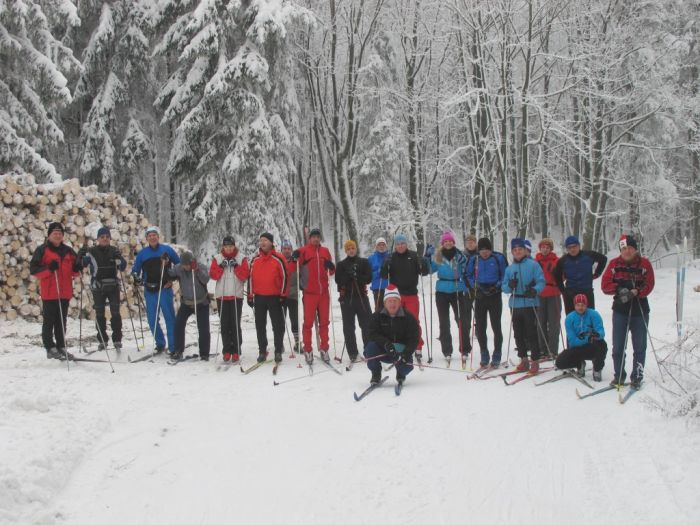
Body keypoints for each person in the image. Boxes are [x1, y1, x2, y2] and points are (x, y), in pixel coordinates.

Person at [601, 234, 655, 389]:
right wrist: (619, 289)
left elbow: (650, 284)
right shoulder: (613, 264)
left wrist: (638, 291)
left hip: (640, 309)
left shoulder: (644, 264)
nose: (627, 251)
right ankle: (619, 376)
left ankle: (637, 376)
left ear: (635, 249)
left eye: (630, 248)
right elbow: (605, 285)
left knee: (639, 346)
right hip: (620, 309)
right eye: (624, 248)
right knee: (618, 345)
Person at [29, 222, 81, 359]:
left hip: (64, 292)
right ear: (49, 235)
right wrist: (49, 269)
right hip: (50, 292)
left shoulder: (68, 251)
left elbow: (75, 271)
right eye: (55, 233)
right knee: (49, 321)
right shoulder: (42, 250)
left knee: (61, 321)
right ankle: (50, 347)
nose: (57, 235)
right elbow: (34, 270)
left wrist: (78, 267)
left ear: (63, 235)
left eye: (60, 233)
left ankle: (61, 346)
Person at [132, 226, 180, 355]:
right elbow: (135, 270)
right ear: (147, 238)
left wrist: (172, 279)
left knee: (169, 318)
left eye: (154, 235)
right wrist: (136, 278)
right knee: (152, 319)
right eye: (150, 236)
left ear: (158, 237)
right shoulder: (143, 253)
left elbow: (179, 265)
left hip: (164, 289)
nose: (152, 237)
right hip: (150, 290)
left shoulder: (167, 250)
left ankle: (173, 346)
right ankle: (160, 343)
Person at [380, 234, 430, 357]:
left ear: (406, 244)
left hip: (411, 294)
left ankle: (418, 346)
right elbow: (383, 275)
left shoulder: (413, 256)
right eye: (397, 244)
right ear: (395, 246)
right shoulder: (391, 257)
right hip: (396, 296)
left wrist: (424, 262)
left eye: (402, 243)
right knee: (395, 321)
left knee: (414, 321)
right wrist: (385, 264)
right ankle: (397, 345)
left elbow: (424, 272)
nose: (400, 246)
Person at [78, 227, 127, 351]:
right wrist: (81, 255)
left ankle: (117, 339)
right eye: (102, 237)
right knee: (99, 314)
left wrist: (119, 259)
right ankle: (102, 340)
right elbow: (82, 264)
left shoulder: (114, 250)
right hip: (98, 286)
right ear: (98, 239)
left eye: (107, 237)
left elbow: (122, 267)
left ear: (110, 238)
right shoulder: (92, 251)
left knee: (115, 313)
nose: (105, 239)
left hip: (113, 285)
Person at [502, 238, 545, 372]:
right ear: (512, 252)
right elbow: (504, 287)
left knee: (531, 333)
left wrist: (534, 290)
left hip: (530, 302)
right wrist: (509, 286)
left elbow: (541, 281)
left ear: (525, 251)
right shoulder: (509, 269)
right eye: (515, 250)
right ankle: (524, 360)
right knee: (518, 333)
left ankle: (535, 360)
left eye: (520, 249)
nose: (518, 252)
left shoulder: (533, 265)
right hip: (515, 303)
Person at [293, 228, 335, 364]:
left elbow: (332, 271)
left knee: (324, 323)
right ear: (309, 238)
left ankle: (324, 349)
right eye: (313, 237)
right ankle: (308, 349)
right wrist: (295, 256)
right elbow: (296, 267)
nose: (316, 239)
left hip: (323, 293)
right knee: (308, 323)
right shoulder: (304, 250)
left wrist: (331, 266)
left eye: (318, 237)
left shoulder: (325, 251)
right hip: (309, 293)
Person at [428, 231, 471, 361]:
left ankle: (465, 349)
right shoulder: (438, 256)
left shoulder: (459, 255)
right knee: (444, 322)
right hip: (442, 291)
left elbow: (466, 269)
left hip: (457, 289)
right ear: (442, 243)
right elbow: (430, 270)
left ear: (453, 243)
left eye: (450, 241)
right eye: (445, 241)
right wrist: (427, 258)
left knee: (462, 320)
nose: (448, 243)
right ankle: (447, 350)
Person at [363, 285, 419, 386]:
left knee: (407, 368)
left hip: (401, 353)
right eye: (390, 301)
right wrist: (386, 343)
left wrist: (406, 354)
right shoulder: (377, 316)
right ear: (385, 303)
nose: (392, 304)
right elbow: (372, 333)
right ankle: (376, 373)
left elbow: (414, 337)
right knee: (370, 347)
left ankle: (401, 373)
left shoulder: (408, 317)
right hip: (384, 350)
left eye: (395, 301)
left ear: (399, 302)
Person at [465, 237, 507, 367]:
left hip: (494, 294)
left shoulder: (498, 258)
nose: (484, 252)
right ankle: (484, 352)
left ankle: (497, 352)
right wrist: (475, 288)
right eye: (482, 250)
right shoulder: (474, 259)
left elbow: (505, 275)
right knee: (481, 326)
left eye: (487, 250)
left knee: (496, 325)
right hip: (480, 295)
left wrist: (497, 287)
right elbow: (467, 275)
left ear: (491, 249)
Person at [248, 232, 289, 363]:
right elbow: (250, 279)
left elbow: (285, 277)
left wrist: (283, 295)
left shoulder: (279, 258)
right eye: (261, 241)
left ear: (271, 243)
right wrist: (250, 295)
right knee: (260, 325)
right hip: (259, 297)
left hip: (275, 297)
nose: (262, 243)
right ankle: (262, 350)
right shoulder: (255, 260)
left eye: (265, 240)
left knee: (278, 325)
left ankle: (278, 350)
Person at [209, 236, 249, 363]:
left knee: (235, 323)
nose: (229, 249)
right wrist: (221, 266)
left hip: (236, 296)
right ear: (223, 247)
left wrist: (236, 266)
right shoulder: (217, 258)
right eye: (226, 246)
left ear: (234, 246)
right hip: (222, 295)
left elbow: (245, 276)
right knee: (225, 324)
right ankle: (226, 350)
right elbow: (213, 275)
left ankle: (236, 350)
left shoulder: (241, 258)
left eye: (231, 246)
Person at [335, 240, 373, 362]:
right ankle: (352, 353)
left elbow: (368, 278)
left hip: (362, 298)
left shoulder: (363, 262)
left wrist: (357, 276)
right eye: (348, 249)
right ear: (346, 251)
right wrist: (348, 275)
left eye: (353, 248)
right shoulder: (341, 264)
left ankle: (369, 350)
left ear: (356, 249)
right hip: (347, 300)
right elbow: (338, 280)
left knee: (367, 325)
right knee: (349, 327)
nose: (351, 250)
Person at [555, 294, 607, 382]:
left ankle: (597, 369)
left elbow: (601, 330)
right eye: (578, 305)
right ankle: (579, 364)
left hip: (592, 345)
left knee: (602, 345)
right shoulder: (569, 318)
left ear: (586, 305)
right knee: (560, 362)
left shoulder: (594, 314)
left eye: (583, 305)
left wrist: (597, 335)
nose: (580, 307)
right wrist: (586, 339)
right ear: (574, 305)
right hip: (578, 347)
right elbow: (572, 340)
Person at [169, 251, 210, 360]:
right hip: (186, 303)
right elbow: (170, 273)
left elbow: (206, 279)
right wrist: (165, 264)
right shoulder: (179, 268)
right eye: (184, 264)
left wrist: (196, 270)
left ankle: (204, 353)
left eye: (187, 264)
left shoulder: (201, 267)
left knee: (203, 328)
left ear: (192, 262)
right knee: (178, 324)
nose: (186, 267)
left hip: (201, 302)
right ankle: (178, 350)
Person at [553, 235, 607, 314]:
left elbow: (603, 259)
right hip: (570, 293)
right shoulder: (563, 260)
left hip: (587, 291)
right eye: (569, 247)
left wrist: (597, 273)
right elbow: (557, 275)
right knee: (571, 319)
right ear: (567, 249)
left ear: (579, 246)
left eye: (574, 246)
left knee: (589, 318)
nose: (572, 249)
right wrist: (563, 290)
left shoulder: (588, 255)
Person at [535, 238, 562, 356]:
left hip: (554, 293)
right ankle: (542, 348)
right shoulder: (535, 261)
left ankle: (552, 349)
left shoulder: (557, 261)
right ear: (540, 248)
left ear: (550, 249)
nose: (545, 249)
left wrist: (556, 273)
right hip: (540, 293)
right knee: (540, 322)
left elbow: (563, 277)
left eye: (547, 247)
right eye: (543, 247)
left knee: (554, 322)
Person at [280, 240, 300, 352]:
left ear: (291, 250)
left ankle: (297, 342)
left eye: (288, 249)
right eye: (285, 248)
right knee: (280, 321)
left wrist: (303, 285)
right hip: (281, 296)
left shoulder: (295, 261)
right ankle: (280, 343)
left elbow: (303, 274)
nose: (287, 250)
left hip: (293, 295)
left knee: (294, 320)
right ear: (281, 250)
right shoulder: (279, 260)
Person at [368, 237, 390, 311]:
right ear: (376, 246)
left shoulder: (390, 257)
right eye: (379, 245)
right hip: (377, 287)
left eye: (383, 245)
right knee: (379, 309)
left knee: (390, 309)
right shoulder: (371, 258)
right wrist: (378, 272)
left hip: (389, 287)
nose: (381, 246)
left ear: (386, 246)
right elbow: (368, 275)